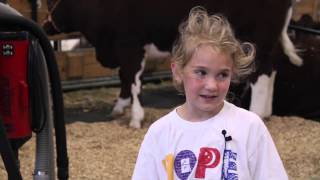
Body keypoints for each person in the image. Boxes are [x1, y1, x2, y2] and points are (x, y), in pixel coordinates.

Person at [132, 6, 288, 180]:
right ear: (177, 72)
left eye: (222, 74)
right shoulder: (160, 133)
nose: (212, 85)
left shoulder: (249, 127)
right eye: (201, 72)